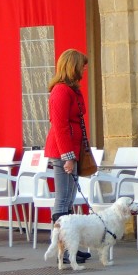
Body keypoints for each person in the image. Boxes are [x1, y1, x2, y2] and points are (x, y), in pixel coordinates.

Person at [44, 48, 91, 263]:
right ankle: (62, 250)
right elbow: (60, 126)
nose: (84, 69)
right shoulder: (61, 91)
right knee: (62, 201)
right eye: (82, 65)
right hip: (64, 151)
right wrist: (68, 156)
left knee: (69, 201)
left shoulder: (70, 90)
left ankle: (70, 245)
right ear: (73, 66)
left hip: (72, 149)